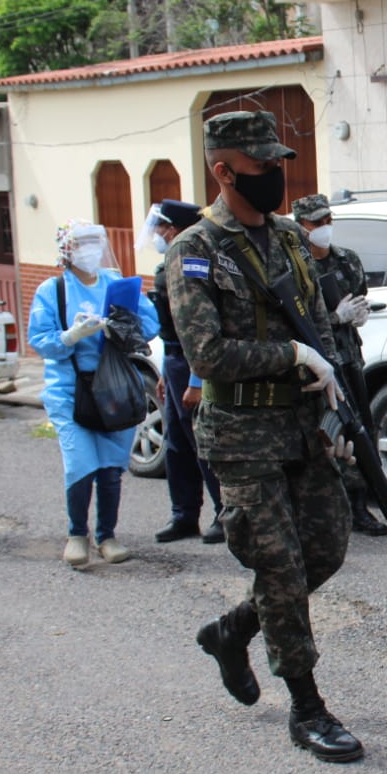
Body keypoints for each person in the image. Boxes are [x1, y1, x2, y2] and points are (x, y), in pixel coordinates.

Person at [166, 110, 363, 762]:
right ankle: (308, 708)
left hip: (303, 427)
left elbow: (317, 324)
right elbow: (209, 353)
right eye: (260, 167)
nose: (276, 176)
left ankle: (232, 630)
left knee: (325, 551)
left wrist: (330, 390)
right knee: (279, 566)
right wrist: (291, 358)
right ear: (223, 171)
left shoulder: (286, 236)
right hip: (242, 434)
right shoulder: (194, 250)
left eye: (279, 162)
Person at [28, 220, 160, 567]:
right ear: (66, 249)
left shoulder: (116, 284)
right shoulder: (53, 290)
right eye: (81, 243)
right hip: (70, 389)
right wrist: (71, 336)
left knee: (111, 466)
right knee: (81, 463)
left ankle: (107, 535)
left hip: (114, 386)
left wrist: (123, 326)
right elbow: (41, 340)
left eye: (93, 242)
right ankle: (77, 534)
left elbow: (149, 325)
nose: (89, 250)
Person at [291, 193, 387, 537]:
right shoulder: (296, 266)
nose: (324, 228)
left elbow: (360, 296)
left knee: (360, 429)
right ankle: (328, 510)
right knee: (325, 435)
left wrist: (357, 315)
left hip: (349, 357)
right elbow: (297, 323)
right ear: (301, 226)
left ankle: (362, 507)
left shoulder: (347, 260)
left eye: (328, 220)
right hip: (315, 367)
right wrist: (334, 317)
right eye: (317, 222)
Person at [142, 200, 226, 545]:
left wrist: (195, 380)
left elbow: (199, 327)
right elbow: (172, 332)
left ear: (174, 230)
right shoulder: (169, 264)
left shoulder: (190, 265)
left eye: (162, 229)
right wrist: (166, 371)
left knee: (204, 444)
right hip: (174, 361)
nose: (158, 236)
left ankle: (226, 514)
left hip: (193, 365)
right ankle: (184, 515)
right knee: (176, 444)